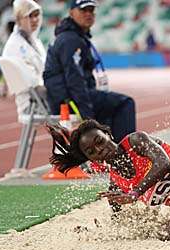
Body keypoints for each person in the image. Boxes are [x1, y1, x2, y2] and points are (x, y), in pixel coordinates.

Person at [43, 0, 136, 143]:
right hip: (68, 101)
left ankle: (113, 156)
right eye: (83, 10)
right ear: (71, 13)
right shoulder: (71, 40)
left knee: (109, 106)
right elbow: (75, 80)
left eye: (91, 10)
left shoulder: (73, 36)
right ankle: (127, 155)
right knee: (125, 103)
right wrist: (89, 118)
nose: (88, 14)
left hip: (66, 98)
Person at [1, 0, 46, 119]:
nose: (35, 20)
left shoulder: (34, 42)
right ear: (19, 19)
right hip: (34, 103)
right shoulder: (15, 45)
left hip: (40, 97)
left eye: (37, 15)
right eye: (30, 16)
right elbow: (30, 81)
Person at [0, 5, 16, 98]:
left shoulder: (8, 36)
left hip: (5, 55)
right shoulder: (13, 37)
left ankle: (2, 89)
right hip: (8, 56)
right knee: (7, 73)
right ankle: (4, 89)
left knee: (3, 73)